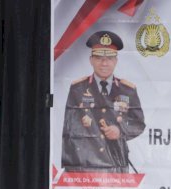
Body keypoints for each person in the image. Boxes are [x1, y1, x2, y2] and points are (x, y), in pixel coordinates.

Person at [61, 30, 145, 173]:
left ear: (116, 61)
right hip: (85, 164)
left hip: (116, 164)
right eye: (99, 57)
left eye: (110, 58)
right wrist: (70, 170)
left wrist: (120, 131)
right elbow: (69, 130)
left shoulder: (127, 90)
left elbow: (138, 124)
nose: (104, 63)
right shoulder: (77, 89)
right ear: (91, 60)